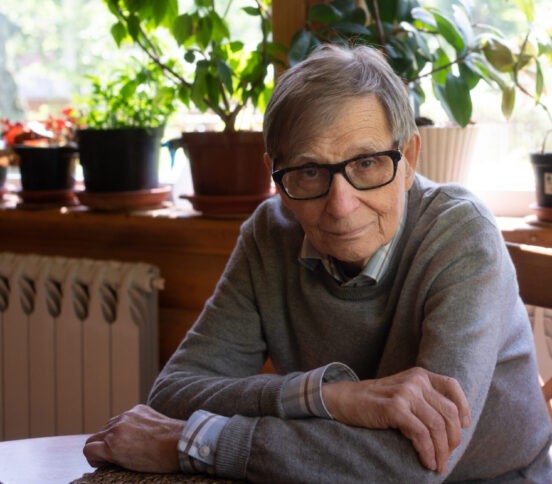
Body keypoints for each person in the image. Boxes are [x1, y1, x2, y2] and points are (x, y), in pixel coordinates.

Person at [83, 44, 552, 482]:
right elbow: (174, 394)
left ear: (408, 158)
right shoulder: (270, 234)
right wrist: (328, 396)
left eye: (366, 163)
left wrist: (193, 443)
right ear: (277, 179)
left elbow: (415, 464)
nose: (341, 206)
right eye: (309, 172)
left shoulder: (461, 233)